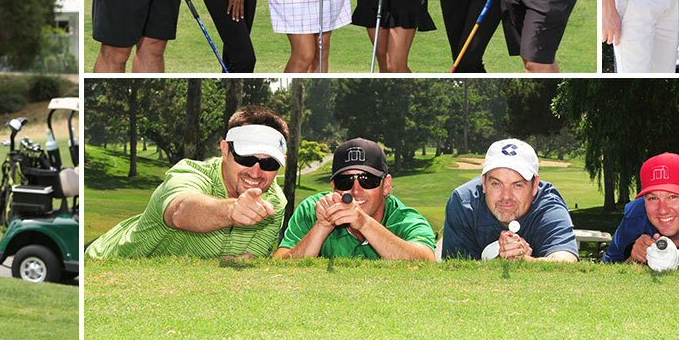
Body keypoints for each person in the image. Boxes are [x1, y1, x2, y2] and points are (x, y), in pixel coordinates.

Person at [85, 106, 289, 259]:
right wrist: (231, 211)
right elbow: (179, 212)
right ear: (225, 150)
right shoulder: (189, 172)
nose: (255, 172)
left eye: (269, 163)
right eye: (246, 158)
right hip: (101, 262)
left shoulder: (275, 201)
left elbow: (250, 257)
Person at [275, 138, 435, 260]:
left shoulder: (404, 219)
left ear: (386, 185)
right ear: (333, 186)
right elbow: (279, 267)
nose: (355, 191)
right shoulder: (314, 209)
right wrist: (322, 227)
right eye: (345, 182)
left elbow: (426, 261)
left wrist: (364, 223)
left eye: (368, 180)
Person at [441, 139, 578, 262]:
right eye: (496, 184)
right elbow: (455, 270)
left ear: (535, 185)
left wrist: (524, 261)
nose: (506, 197)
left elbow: (567, 260)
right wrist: (500, 261)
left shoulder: (548, 204)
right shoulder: (463, 202)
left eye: (517, 185)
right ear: (484, 182)